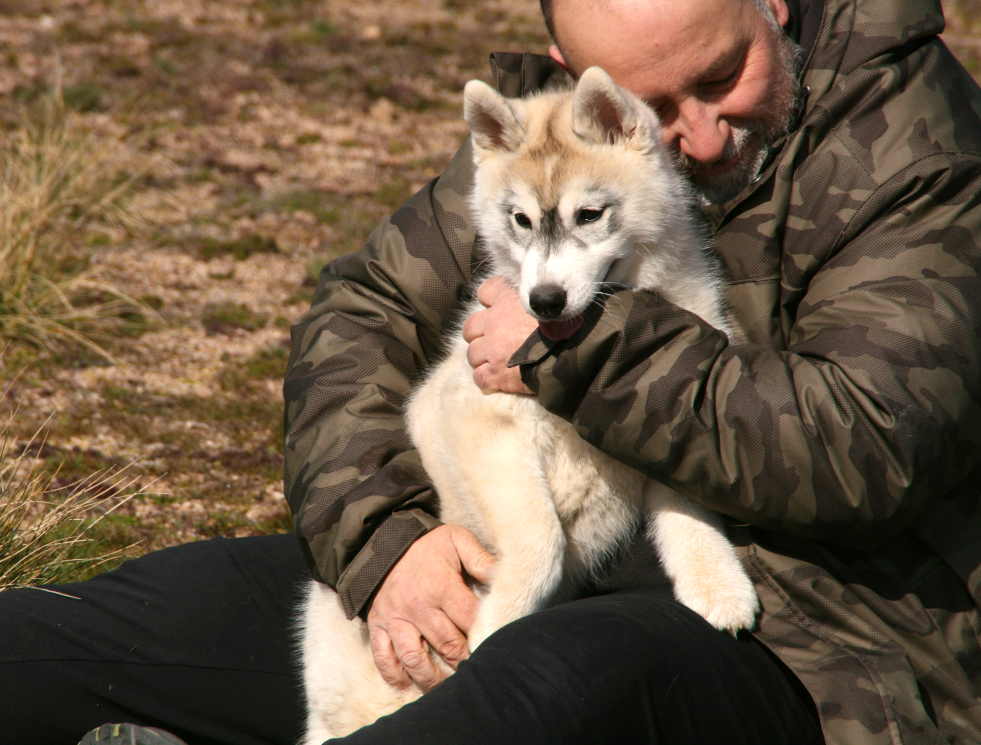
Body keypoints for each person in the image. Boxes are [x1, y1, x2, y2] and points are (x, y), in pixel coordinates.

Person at [0, 0, 978, 744]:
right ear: (578, 83)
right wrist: (385, 542)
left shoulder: (917, 148)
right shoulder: (550, 146)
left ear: (772, 1)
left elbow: (866, 441)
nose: (704, 135)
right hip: (522, 552)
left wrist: (577, 345)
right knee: (95, 631)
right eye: (652, 106)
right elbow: (363, 313)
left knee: (536, 685)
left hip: (820, 641)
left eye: (724, 75)